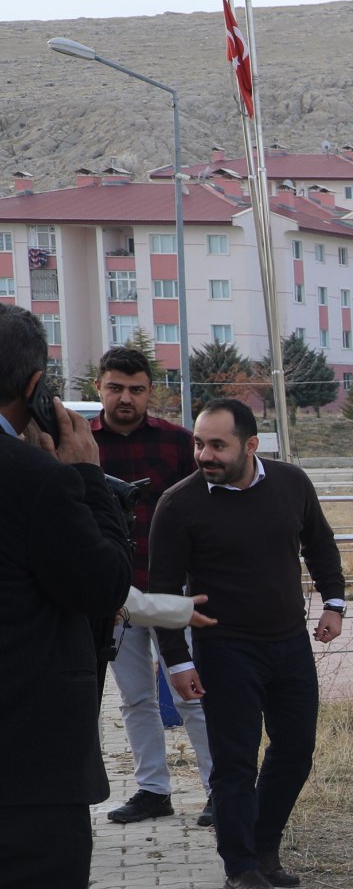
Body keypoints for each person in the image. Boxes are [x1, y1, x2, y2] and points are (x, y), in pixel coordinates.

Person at [0, 304, 137, 889]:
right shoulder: (34, 480)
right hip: (26, 774)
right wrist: (85, 478)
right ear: (36, 385)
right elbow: (102, 585)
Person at [152, 399, 347, 889]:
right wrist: (177, 661)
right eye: (199, 443)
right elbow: (163, 592)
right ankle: (239, 868)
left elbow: (320, 544)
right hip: (225, 648)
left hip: (289, 642)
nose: (204, 455)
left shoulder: (291, 483)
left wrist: (334, 602)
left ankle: (264, 848)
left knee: (296, 749)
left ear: (251, 445)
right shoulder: (178, 504)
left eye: (218, 445)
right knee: (235, 762)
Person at [92, 349, 215, 827]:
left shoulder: (178, 443)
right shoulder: (80, 445)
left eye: (136, 389)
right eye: (115, 388)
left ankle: (220, 788)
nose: (125, 398)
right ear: (99, 388)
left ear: (150, 391)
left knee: (192, 693)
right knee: (135, 699)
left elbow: (203, 515)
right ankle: (152, 790)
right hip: (112, 597)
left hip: (169, 591)